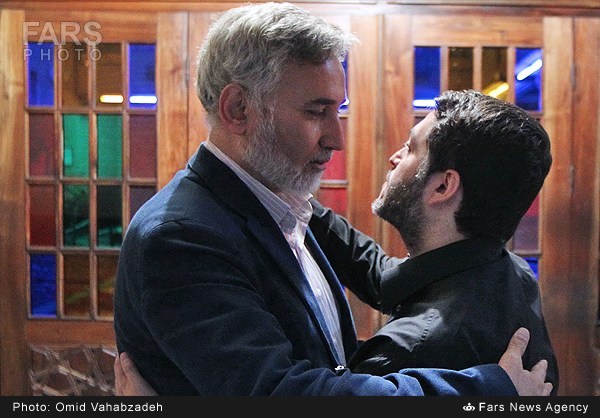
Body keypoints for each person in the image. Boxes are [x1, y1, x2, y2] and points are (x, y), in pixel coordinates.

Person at [113, 2, 553, 396]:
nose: (336, 138)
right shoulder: (181, 236)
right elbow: (278, 391)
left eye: (337, 110)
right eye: (316, 112)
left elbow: (375, 280)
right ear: (238, 110)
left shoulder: (276, 199)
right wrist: (487, 389)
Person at [309, 90, 558, 394]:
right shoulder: (510, 271)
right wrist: (297, 202)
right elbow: (383, 274)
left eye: (409, 148)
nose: (394, 158)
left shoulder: (408, 350)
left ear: (442, 186)